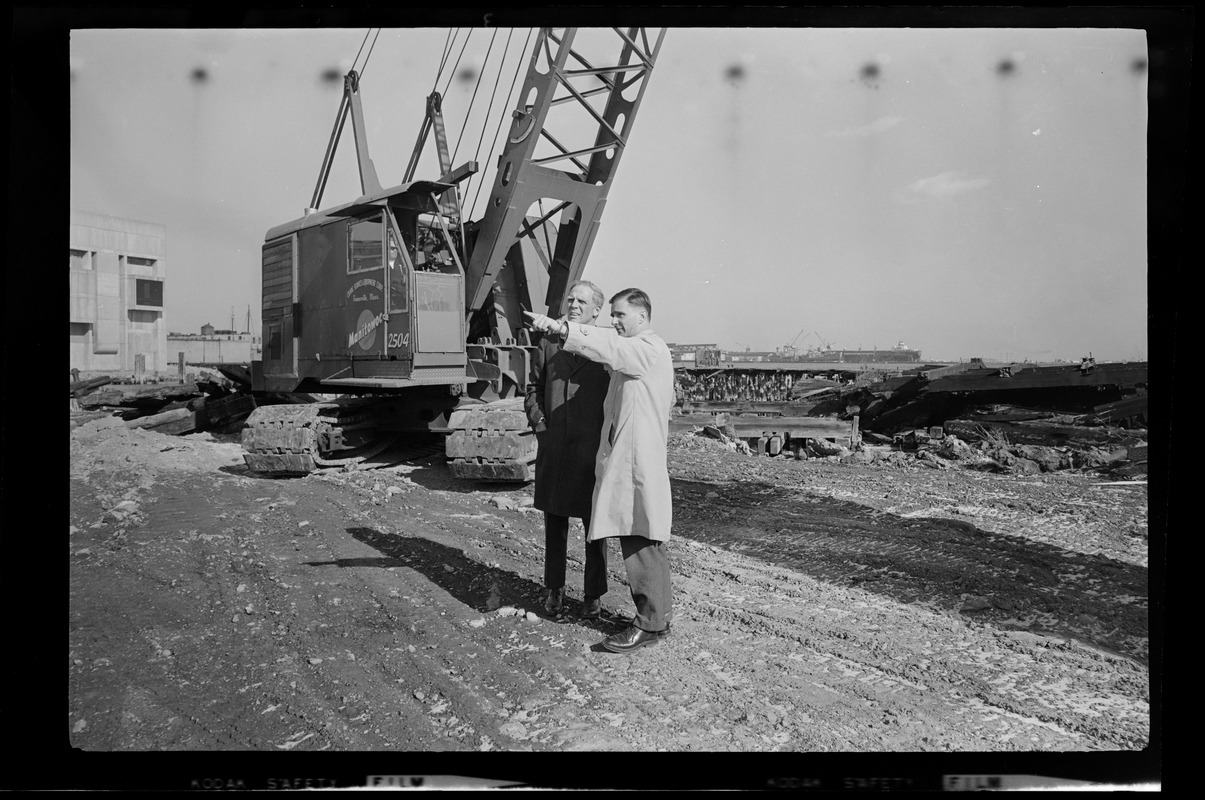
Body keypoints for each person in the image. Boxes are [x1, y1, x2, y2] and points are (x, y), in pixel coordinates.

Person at [525, 288, 675, 654]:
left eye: (620, 315)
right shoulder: (635, 349)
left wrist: (562, 330)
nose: (615, 321)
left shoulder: (646, 347)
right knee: (641, 537)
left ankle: (651, 622)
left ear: (641, 317)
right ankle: (656, 618)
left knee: (641, 540)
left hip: (637, 463)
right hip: (626, 460)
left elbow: (611, 347)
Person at [524, 281, 612, 619]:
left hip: (592, 450)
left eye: (582, 301)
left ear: (596, 311)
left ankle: (593, 596)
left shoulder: (606, 345)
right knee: (555, 524)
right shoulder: (547, 343)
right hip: (556, 446)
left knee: (596, 528)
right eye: (570, 299)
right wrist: (542, 428)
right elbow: (533, 389)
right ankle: (554, 590)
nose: (574, 305)